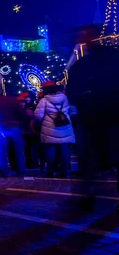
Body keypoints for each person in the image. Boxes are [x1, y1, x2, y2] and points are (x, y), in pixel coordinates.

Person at [67, 44, 119, 211]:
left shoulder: (82, 65)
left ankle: (89, 194)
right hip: (104, 118)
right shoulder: (109, 60)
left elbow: (73, 93)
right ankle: (90, 193)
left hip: (94, 119)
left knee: (89, 159)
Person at [34, 81, 75, 178]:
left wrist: (41, 121)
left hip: (49, 128)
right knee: (64, 151)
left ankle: (50, 172)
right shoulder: (65, 98)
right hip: (64, 127)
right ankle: (64, 172)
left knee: (50, 152)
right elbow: (73, 111)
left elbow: (38, 115)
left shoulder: (44, 100)